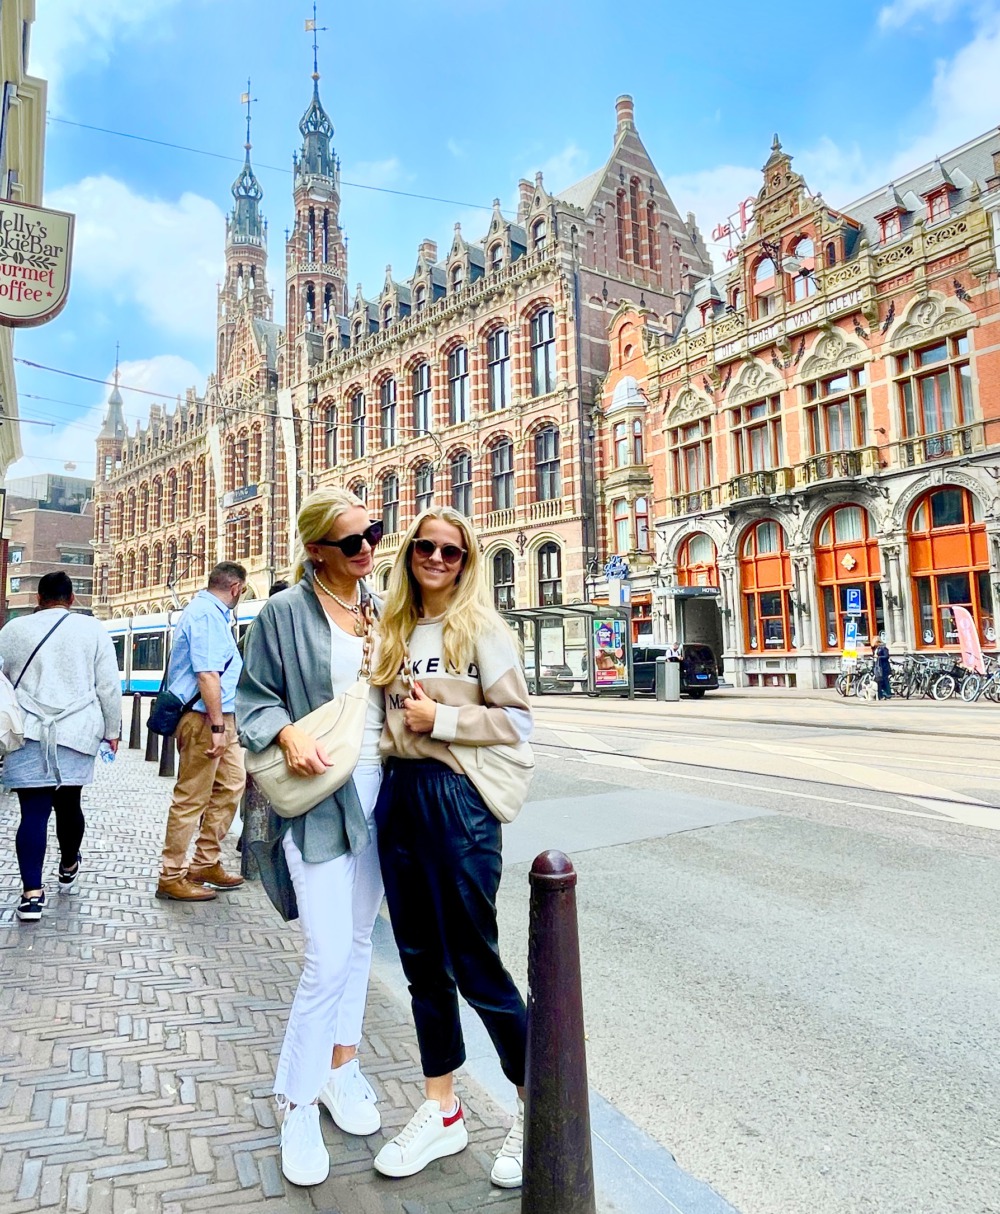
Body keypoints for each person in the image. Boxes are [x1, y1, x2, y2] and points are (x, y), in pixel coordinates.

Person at [369, 506, 532, 1189]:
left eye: (452, 551)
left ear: (466, 562)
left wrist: (441, 717)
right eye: (426, 548)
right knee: (420, 965)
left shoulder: (481, 628)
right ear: (409, 554)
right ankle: (442, 1110)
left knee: (474, 963)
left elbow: (518, 721)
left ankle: (537, 1104)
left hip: (455, 799)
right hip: (399, 798)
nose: (437, 559)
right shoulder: (392, 629)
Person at [236, 488, 386, 1188]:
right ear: (316, 550)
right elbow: (253, 699)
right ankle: (295, 1101)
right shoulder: (284, 613)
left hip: (384, 795)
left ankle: (340, 1068)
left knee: (358, 943)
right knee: (326, 958)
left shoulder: (378, 606)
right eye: (351, 542)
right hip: (322, 797)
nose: (367, 550)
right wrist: (287, 733)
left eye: (373, 533)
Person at [0, 572, 121, 922]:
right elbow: (108, 686)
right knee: (69, 805)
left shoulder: (12, 630)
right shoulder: (93, 630)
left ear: (39, 599)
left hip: (27, 731)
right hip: (76, 731)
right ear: (71, 599)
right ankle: (68, 865)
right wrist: (112, 730)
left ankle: (31, 896)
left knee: (33, 813)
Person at [155, 562, 247, 903]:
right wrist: (218, 726)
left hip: (218, 716)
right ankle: (171, 875)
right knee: (192, 796)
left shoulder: (212, 614)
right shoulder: (207, 615)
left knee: (232, 783)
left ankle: (205, 861)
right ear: (236, 588)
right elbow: (207, 674)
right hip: (205, 718)